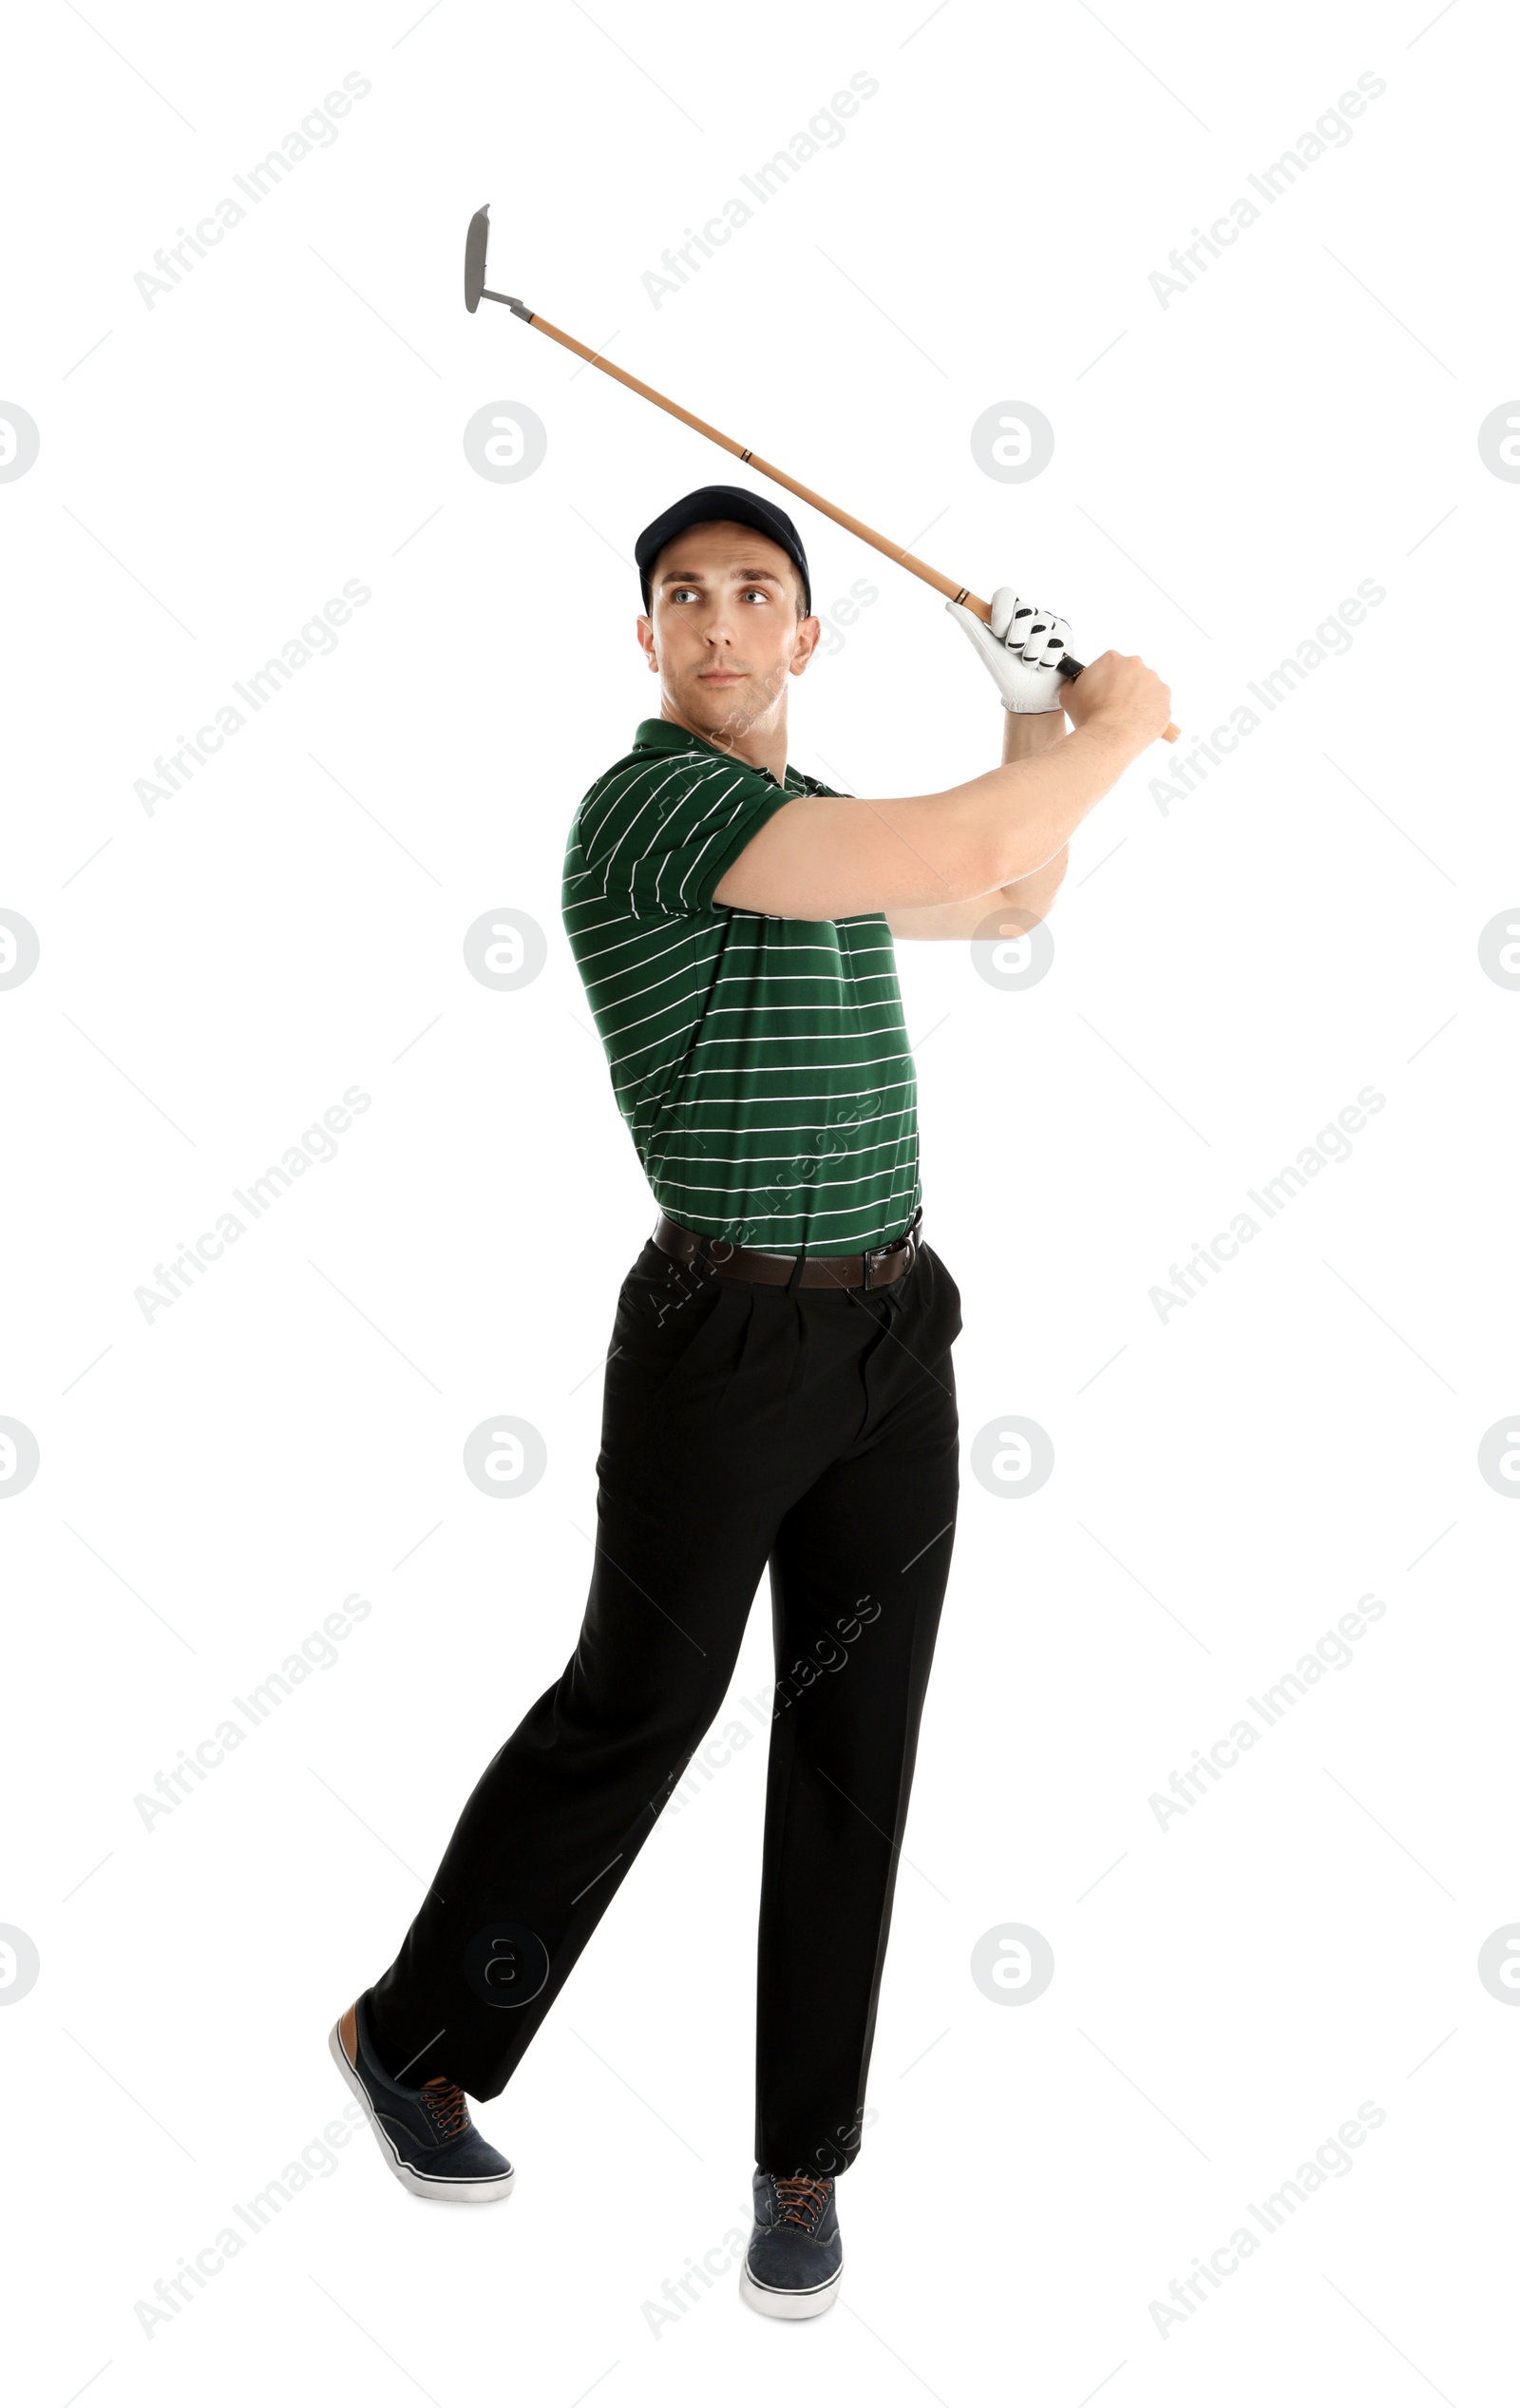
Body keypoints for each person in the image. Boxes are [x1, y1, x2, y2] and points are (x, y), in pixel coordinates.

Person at [330, 483, 1171, 2317]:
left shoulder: (807, 818)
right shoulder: (652, 809)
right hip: (722, 1342)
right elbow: (971, 841)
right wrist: (1103, 724)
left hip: (891, 1340)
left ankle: (803, 2166)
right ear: (645, 640)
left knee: (854, 1747)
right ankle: (410, 2038)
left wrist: (1031, 709)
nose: (719, 621)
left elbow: (1008, 886)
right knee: (643, 1705)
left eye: (757, 593)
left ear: (806, 636)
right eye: (685, 596)